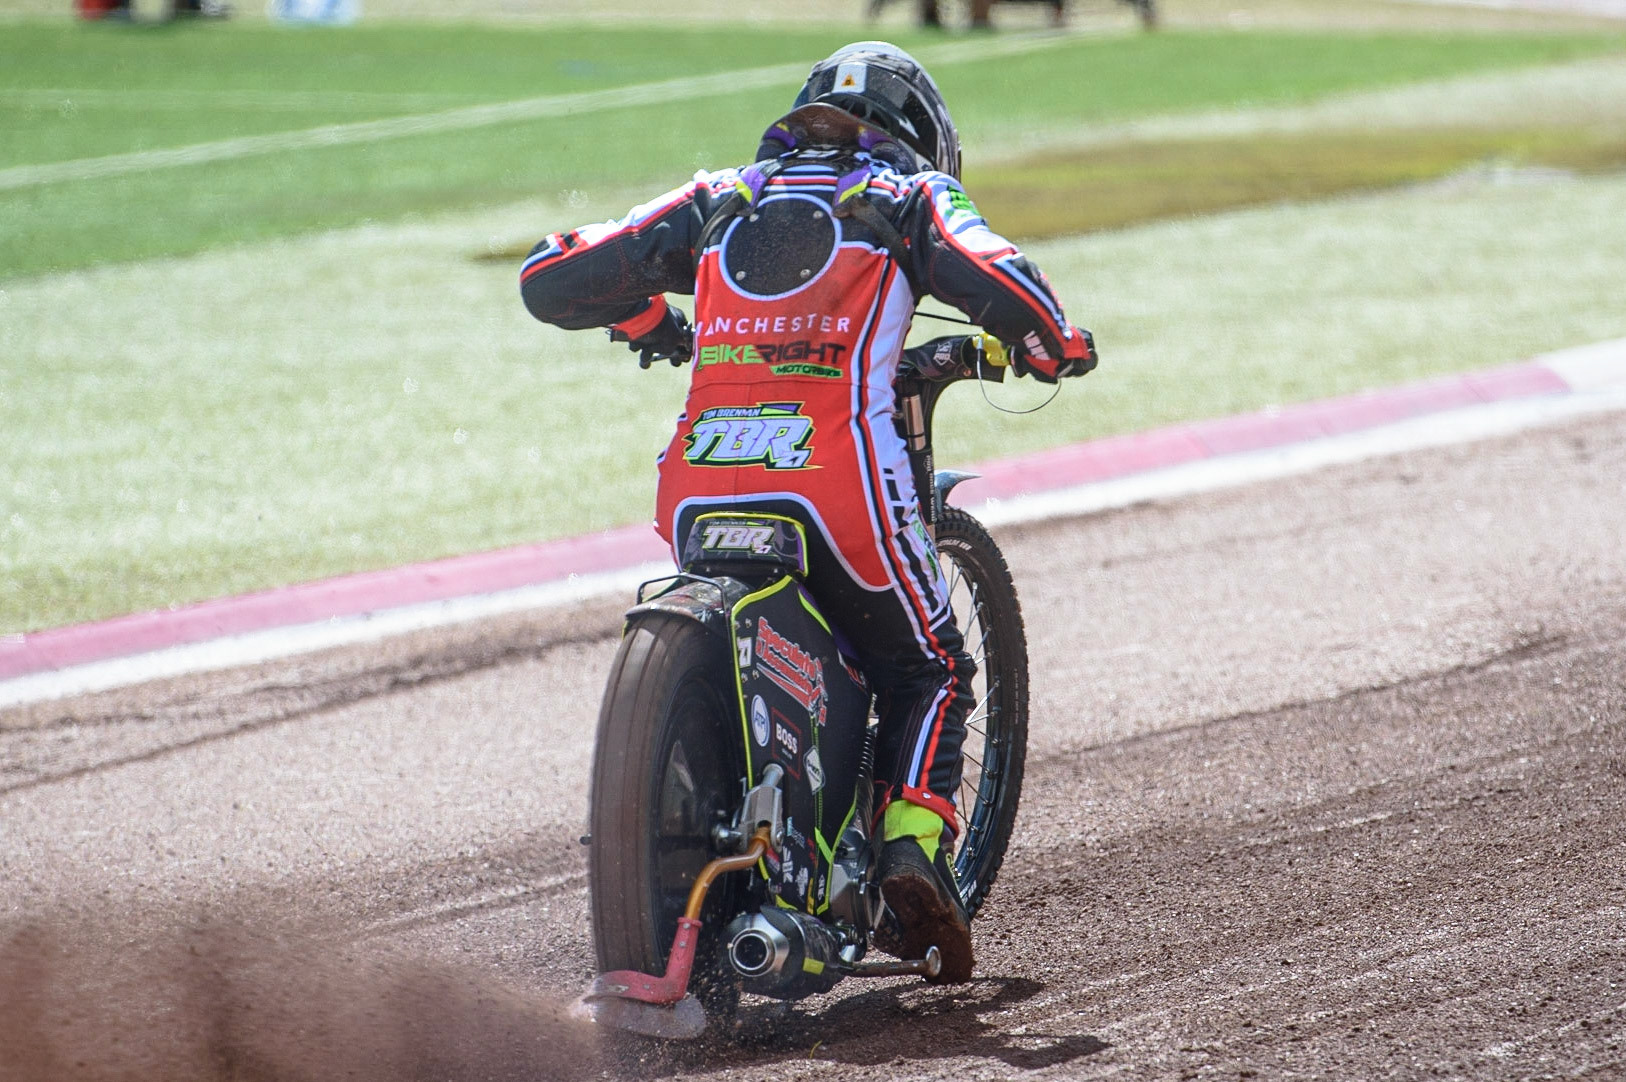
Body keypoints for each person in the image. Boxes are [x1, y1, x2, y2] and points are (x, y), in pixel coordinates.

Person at [520, 41, 1095, 984]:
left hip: (697, 486)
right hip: (837, 483)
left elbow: (555, 277)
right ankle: (913, 846)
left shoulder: (722, 197)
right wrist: (1052, 344)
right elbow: (1001, 277)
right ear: (925, 142)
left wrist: (652, 326)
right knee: (932, 664)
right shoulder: (905, 200)